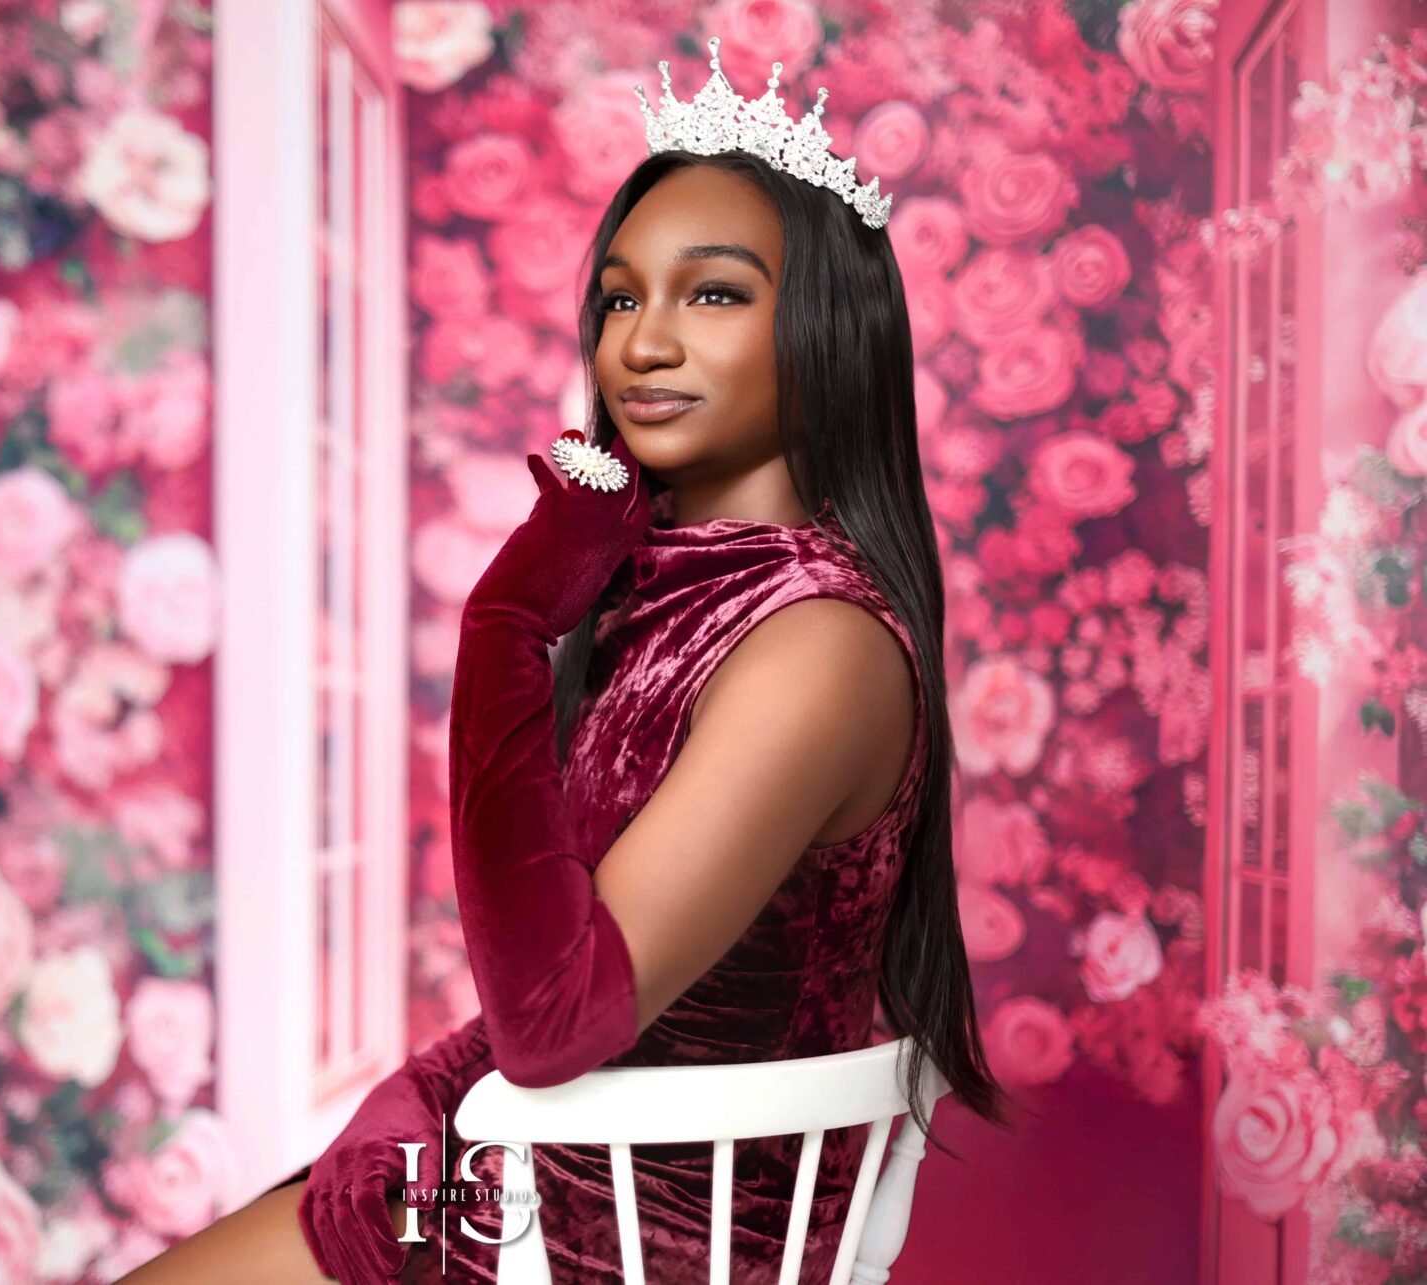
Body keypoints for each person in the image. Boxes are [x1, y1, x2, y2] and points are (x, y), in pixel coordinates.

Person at [120, 47, 1012, 1285]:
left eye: (713, 296)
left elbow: (550, 1024)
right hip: (519, 1169)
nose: (643, 343)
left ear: (826, 329)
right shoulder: (657, 585)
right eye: (618, 299)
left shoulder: (818, 646)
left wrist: (504, 626)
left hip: (627, 1231)